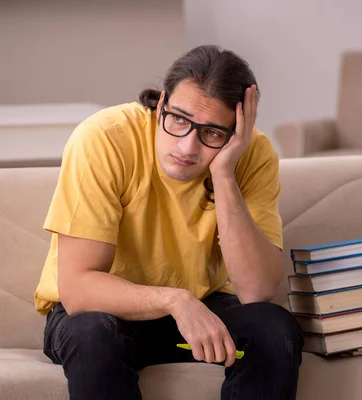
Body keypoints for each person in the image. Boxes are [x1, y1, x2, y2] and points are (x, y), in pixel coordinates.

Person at [33, 44, 303, 400]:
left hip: (194, 318)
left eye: (212, 133)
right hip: (101, 315)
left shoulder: (253, 155)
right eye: (179, 119)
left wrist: (224, 173)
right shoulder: (105, 137)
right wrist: (176, 301)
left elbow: (256, 292)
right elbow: (78, 290)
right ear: (160, 105)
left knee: (274, 328)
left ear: (236, 133)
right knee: (93, 333)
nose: (188, 147)